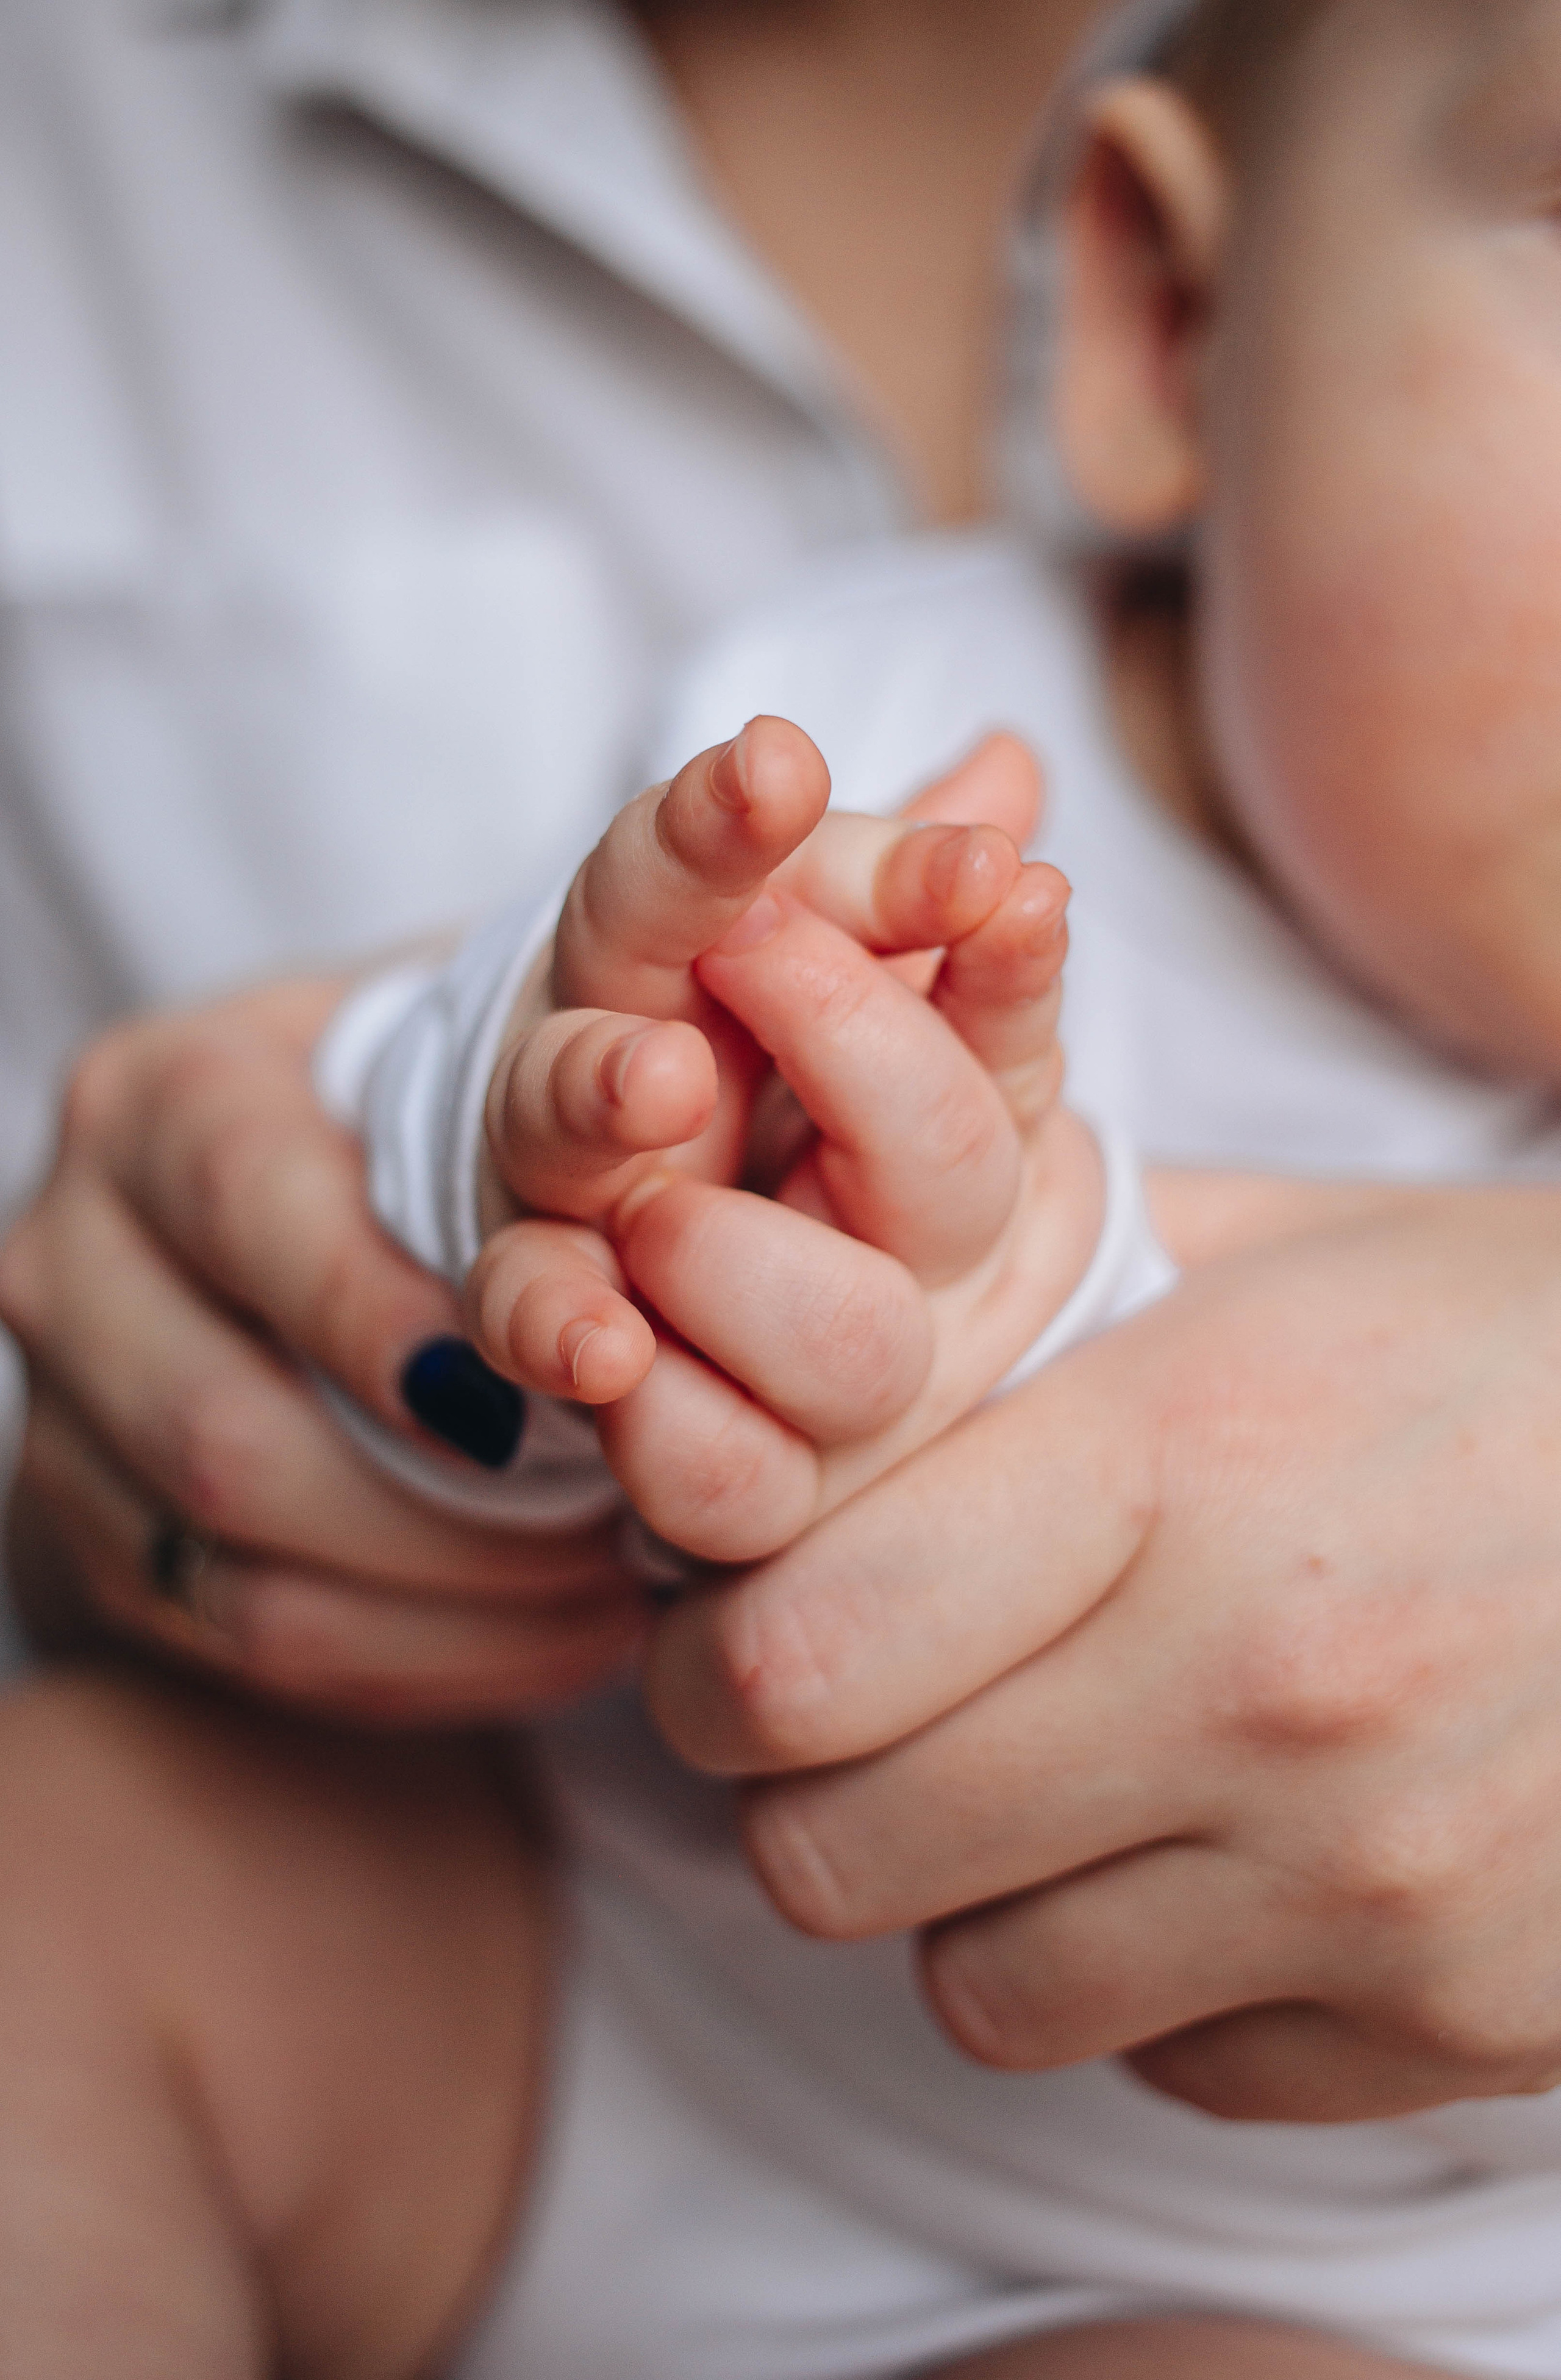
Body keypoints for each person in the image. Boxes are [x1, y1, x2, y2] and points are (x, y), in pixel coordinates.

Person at [7, 1, 1561, 2373]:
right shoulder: (901, 748)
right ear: (1170, 320)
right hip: (577, 1987)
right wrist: (549, 1150)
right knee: (66, 1877)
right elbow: (460, 1128)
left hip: (1257, 2249)